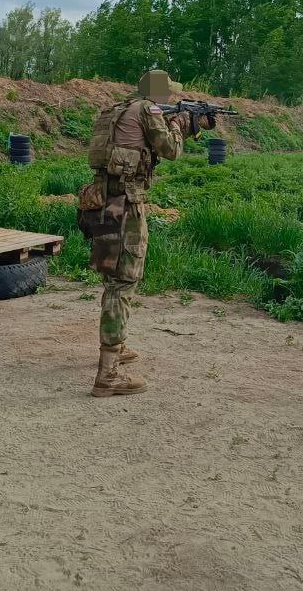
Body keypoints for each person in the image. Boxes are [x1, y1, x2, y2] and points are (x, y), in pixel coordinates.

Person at [76, 69, 208, 397]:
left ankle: (115, 347)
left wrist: (182, 122)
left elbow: (131, 146)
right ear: (159, 95)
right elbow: (171, 150)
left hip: (102, 200)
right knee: (123, 283)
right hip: (126, 205)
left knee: (113, 278)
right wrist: (182, 125)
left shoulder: (116, 111)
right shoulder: (149, 111)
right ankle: (107, 375)